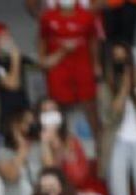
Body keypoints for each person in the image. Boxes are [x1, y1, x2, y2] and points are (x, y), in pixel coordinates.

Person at [38, 0, 100, 153]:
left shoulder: (87, 16)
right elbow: (42, 40)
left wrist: (96, 64)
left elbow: (94, 41)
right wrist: (43, 60)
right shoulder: (48, 17)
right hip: (58, 68)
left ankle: (100, 150)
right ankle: (57, 150)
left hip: (82, 66)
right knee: (57, 109)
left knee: (91, 107)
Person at [105, 42, 136, 195]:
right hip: (118, 142)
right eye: (117, 59)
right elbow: (111, 114)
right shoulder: (106, 85)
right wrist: (125, 86)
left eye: (125, 59)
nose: (122, 64)